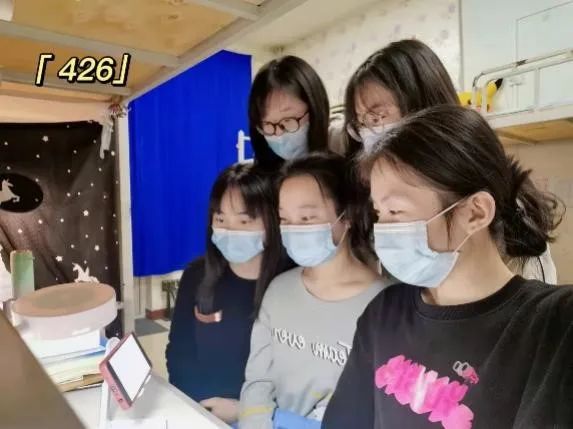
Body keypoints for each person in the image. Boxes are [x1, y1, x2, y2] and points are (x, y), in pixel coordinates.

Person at [322, 105, 573, 429]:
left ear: (475, 212)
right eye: (380, 213)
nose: (382, 229)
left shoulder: (556, 325)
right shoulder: (384, 314)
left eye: (396, 211)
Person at [343, 38, 557, 282]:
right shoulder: (376, 197)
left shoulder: (501, 210)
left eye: (377, 117)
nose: (368, 133)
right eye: (360, 122)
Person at [239, 153, 391, 428]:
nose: (293, 229)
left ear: (347, 216)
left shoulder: (387, 305)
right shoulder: (279, 290)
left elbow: (383, 407)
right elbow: (258, 381)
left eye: (307, 218)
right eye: (284, 219)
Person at [166, 163, 289, 425]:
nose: (230, 231)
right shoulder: (196, 275)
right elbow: (179, 353)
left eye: (244, 221)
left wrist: (245, 410)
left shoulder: (290, 284)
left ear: (272, 222)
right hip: (204, 412)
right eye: (221, 220)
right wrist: (204, 408)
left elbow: (298, 376)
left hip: (267, 419)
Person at [248, 55, 331, 171]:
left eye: (287, 121)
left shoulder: (340, 165)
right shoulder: (261, 174)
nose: (278, 135)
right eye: (267, 124)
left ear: (315, 111)